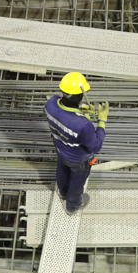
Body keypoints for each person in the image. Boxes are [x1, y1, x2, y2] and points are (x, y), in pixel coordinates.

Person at [44, 72, 107, 214]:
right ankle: (72, 206)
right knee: (77, 182)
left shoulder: (51, 103)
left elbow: (65, 118)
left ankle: (62, 192)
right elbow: (96, 146)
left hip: (60, 150)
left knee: (62, 170)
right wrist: (102, 120)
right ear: (80, 96)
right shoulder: (83, 125)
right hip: (78, 160)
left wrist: (80, 112)